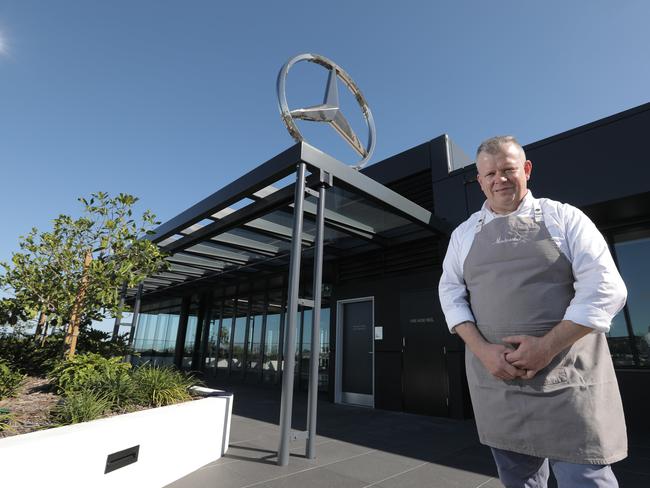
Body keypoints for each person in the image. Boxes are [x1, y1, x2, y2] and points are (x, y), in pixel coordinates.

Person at [438, 136, 628, 487]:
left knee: (585, 477)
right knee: (519, 479)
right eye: (490, 173)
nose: (500, 179)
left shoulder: (565, 218)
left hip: (567, 382)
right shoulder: (463, 235)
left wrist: (546, 348)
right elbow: (450, 294)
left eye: (508, 169)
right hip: (497, 381)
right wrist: (482, 350)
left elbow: (606, 288)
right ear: (480, 181)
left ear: (526, 170)